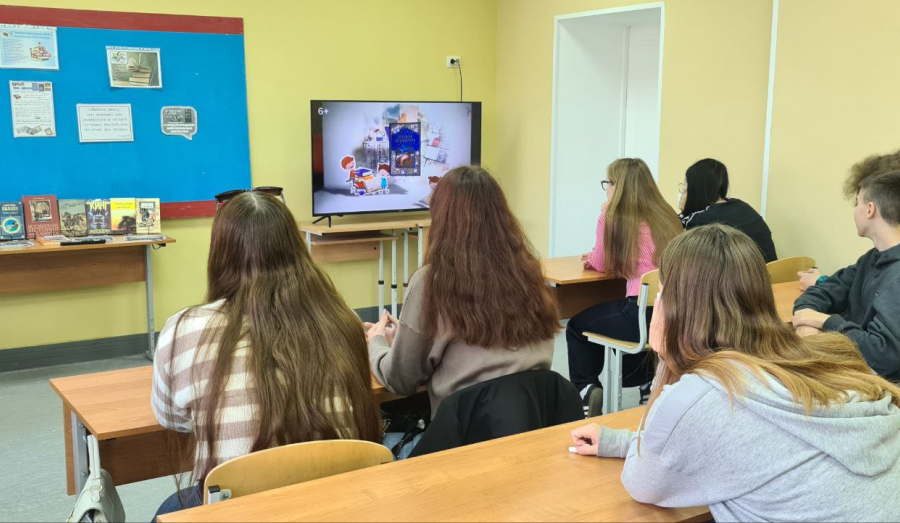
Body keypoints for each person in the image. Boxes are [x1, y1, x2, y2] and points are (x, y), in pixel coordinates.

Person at [570, 224, 900, 522]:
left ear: (677, 306)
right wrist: (621, 442)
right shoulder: (826, 361)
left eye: (663, 292)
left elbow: (642, 483)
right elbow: (759, 444)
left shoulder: (703, 397)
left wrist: (666, 358)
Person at [151, 192, 381, 519]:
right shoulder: (342, 320)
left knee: (169, 509)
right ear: (296, 249)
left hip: (238, 508)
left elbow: (171, 419)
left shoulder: (183, 329)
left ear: (220, 255)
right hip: (337, 504)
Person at [366, 165, 558, 416]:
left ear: (441, 217)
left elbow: (401, 380)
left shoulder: (431, 281)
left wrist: (377, 342)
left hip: (465, 434)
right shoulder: (530, 274)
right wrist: (406, 339)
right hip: (533, 425)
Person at [568, 158, 682, 416]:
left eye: (607, 183)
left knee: (577, 326)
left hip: (639, 316)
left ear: (618, 187)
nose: (606, 189)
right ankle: (646, 384)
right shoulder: (666, 216)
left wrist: (602, 224)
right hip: (672, 314)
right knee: (618, 318)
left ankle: (585, 391)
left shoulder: (612, 216)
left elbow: (601, 263)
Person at [793, 159, 900, 381]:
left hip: (878, 386)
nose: (855, 210)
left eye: (857, 202)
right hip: (851, 367)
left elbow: (884, 356)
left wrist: (824, 322)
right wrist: (807, 327)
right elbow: (821, 292)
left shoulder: (896, 276)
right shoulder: (871, 259)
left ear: (870, 209)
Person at [678, 158, 777, 262]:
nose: (682, 191)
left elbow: (680, 252)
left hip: (744, 272)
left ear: (696, 190)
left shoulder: (701, 219)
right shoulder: (739, 205)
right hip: (771, 270)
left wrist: (684, 212)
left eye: (686, 186)